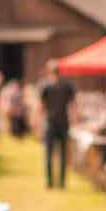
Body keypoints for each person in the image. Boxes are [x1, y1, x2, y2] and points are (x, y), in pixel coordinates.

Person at [38, 60, 76, 188]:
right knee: (60, 154)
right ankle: (59, 182)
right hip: (59, 122)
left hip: (53, 122)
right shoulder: (63, 86)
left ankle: (52, 182)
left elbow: (41, 107)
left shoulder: (48, 86)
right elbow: (73, 106)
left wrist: (39, 121)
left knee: (51, 154)